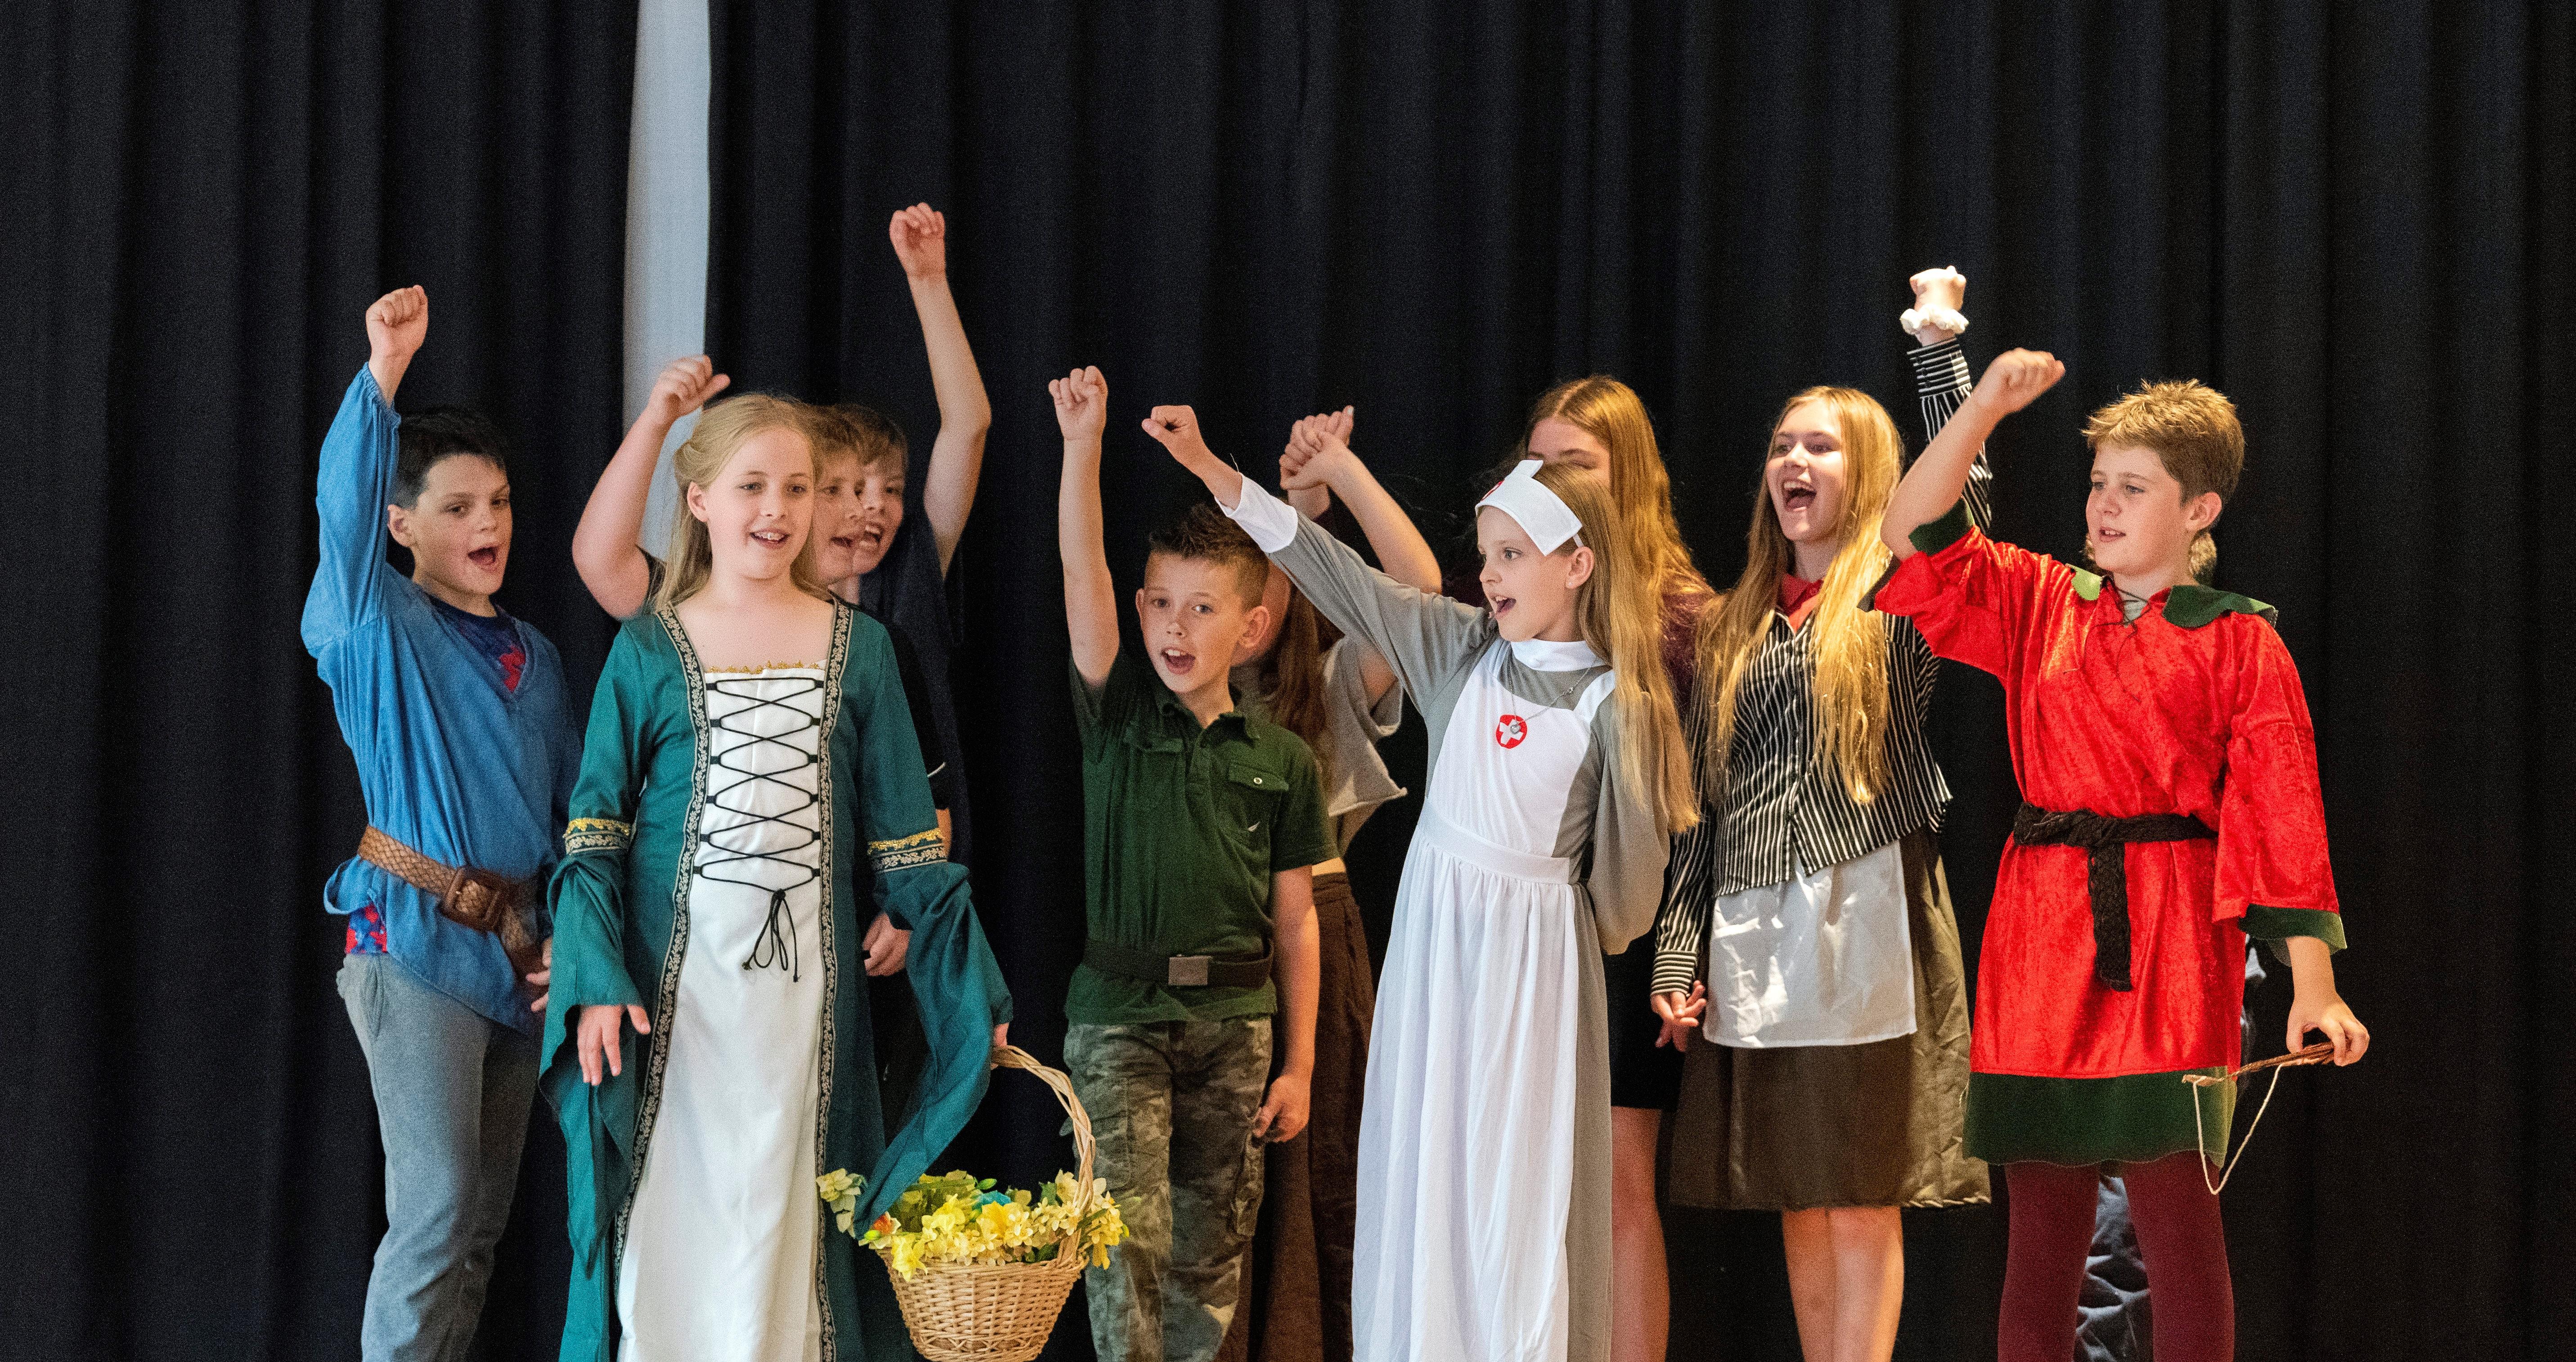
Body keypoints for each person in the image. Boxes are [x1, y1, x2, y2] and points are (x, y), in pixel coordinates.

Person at [1154, 404, 1694, 1362]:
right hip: (1435, 962)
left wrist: (1551, 924)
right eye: (1485, 556)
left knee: (1517, 1183)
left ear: (1577, 563)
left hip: (1533, 981)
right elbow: (1336, 572)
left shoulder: (1624, 705)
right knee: (1424, 1163)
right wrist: (1210, 469)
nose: (1490, 576)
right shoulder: (1459, 649)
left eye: (1511, 555)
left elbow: (1627, 893)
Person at [1876, 349, 2370, 1362]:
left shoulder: (2239, 641)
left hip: (2171, 938)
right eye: (2098, 482)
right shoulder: (2039, 601)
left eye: (2133, 488)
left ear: (2199, 510)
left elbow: (2281, 817)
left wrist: (2313, 988)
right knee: (2039, 1242)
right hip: (2039, 932)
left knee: (2177, 1228)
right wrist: (1983, 408)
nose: (2102, 505)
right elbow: (1911, 529)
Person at [540, 394, 1011, 1362]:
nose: (777, 508)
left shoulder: (863, 651)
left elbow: (909, 848)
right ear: (700, 499)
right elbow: (593, 834)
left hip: (806, 1001)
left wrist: (973, 996)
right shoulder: (649, 646)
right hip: (674, 999)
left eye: (798, 488)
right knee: (675, 1217)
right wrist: (594, 978)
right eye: (752, 485)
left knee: (785, 1212)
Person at [1647, 268, 1993, 1362]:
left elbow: (1961, 513)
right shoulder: (1733, 624)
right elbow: (1697, 807)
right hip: (1754, 928)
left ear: (1871, 472)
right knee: (1798, 1190)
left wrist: (1940, 355)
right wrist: (1676, 952)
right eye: (1782, 446)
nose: (1794, 462)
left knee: (1858, 1188)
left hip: (1862, 916)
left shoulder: (1899, 596)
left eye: (1823, 447)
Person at [303, 285, 580, 1362]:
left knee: (480, 1225)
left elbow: (569, 818)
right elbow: (340, 511)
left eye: (499, 502)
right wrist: (383, 371)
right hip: (411, 942)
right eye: (459, 507)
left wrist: (563, 934)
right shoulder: (372, 620)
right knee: (437, 1205)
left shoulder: (537, 656)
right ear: (402, 523)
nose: (488, 525)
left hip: (514, 958)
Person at [1052, 366, 1332, 1362]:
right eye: (1162, 603)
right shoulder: (1117, 715)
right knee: (1123, 1241)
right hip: (1120, 1018)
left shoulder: (1281, 760)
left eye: (1204, 607)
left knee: (1212, 1247)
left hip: (1234, 1026)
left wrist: (1298, 1063)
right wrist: (1082, 446)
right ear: (1139, 608)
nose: (1177, 626)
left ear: (1252, 628)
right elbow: (1082, 574)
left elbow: (1295, 922)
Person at [1441, 377, 1714, 1362]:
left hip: (1624, 937)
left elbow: (1697, 814)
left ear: (1626, 477)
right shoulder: (1518, 601)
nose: (1553, 481)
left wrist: (1678, 955)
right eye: (1539, 463)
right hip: (1516, 937)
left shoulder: (1684, 620)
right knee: (1509, 1177)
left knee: (1610, 1180)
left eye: (1578, 465)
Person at [1220, 407, 1445, 1362]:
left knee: (1320, 1186)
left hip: (1317, 943)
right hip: (1210, 954)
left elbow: (1418, 593)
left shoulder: (1326, 682)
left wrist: (1327, 493)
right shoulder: (1170, 689)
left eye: (1265, 567)